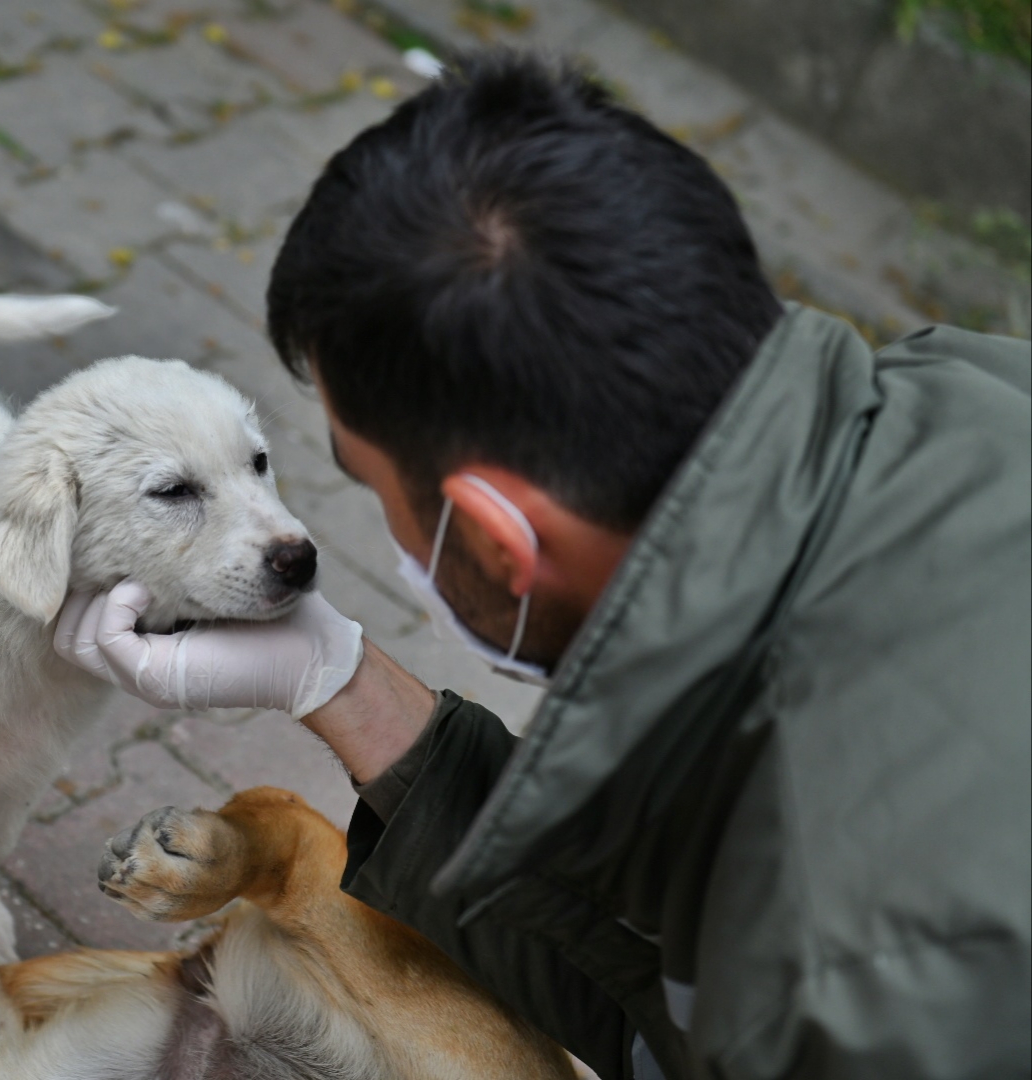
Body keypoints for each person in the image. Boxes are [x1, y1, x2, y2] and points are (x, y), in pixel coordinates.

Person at [54, 51, 1031, 1080]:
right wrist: (339, 682)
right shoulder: (972, 387)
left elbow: (707, 1025)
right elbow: (660, 962)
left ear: (494, 538)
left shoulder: (846, 990)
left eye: (371, 489)